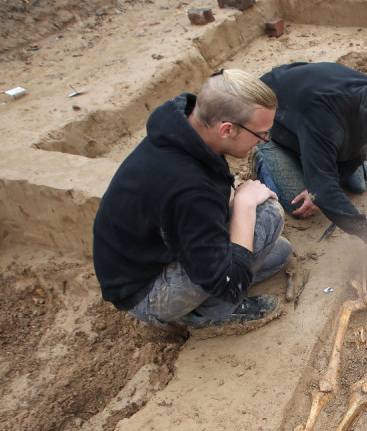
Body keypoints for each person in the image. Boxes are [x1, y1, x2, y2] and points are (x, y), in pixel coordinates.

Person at [92, 69, 292, 336]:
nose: (263, 141)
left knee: (279, 253)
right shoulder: (187, 186)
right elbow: (231, 284)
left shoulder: (187, 131)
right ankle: (207, 314)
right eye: (261, 133)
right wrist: (244, 204)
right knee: (267, 215)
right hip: (145, 290)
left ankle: (205, 293)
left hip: (159, 250)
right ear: (226, 129)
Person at [253, 62, 367, 263]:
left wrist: (321, 185)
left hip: (313, 122)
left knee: (357, 185)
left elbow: (363, 151)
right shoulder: (325, 116)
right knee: (298, 203)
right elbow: (323, 191)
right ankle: (262, 157)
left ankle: (313, 156)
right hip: (275, 117)